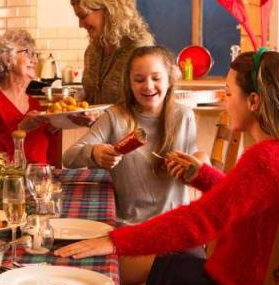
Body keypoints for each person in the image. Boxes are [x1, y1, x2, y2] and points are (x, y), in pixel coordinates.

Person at [54, 49, 279, 285]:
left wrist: (114, 241)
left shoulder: (265, 157)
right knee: (114, 279)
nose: (224, 99)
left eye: (229, 93)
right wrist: (203, 174)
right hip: (237, 278)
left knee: (99, 276)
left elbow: (199, 221)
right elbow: (241, 199)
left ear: (254, 101)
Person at [62, 45, 198, 225]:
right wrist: (94, 153)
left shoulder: (184, 116)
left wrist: (197, 164)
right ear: (129, 83)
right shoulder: (114, 116)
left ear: (170, 80)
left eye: (156, 78)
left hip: (174, 224)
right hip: (128, 225)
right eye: (139, 79)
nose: (148, 86)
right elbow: (68, 158)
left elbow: (194, 167)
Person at [58, 0, 154, 126]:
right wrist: (77, 102)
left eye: (83, 16)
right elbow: (92, 95)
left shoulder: (139, 49)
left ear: (108, 11)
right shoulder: (93, 51)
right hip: (103, 139)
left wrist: (103, 115)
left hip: (134, 139)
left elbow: (147, 104)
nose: (80, 25)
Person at [0, 29, 56, 164]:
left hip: (39, 181)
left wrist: (54, 128)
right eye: (27, 52)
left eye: (35, 54)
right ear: (7, 59)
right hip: (5, 182)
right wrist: (20, 129)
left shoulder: (34, 104)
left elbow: (46, 153)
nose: (34, 60)